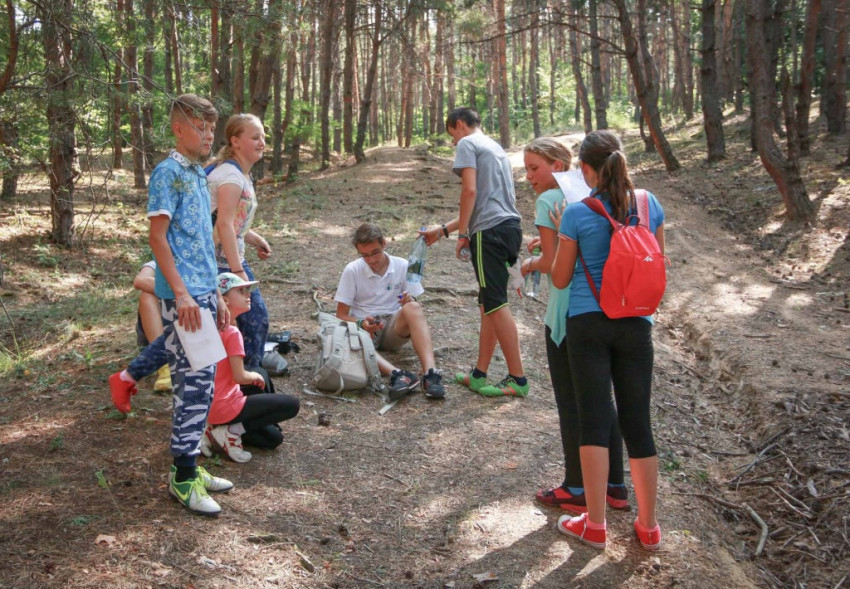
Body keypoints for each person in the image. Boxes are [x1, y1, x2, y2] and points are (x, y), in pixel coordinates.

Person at [109, 94, 233, 517]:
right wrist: (181, 294)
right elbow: (157, 238)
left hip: (202, 290)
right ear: (179, 129)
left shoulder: (197, 172)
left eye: (212, 128)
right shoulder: (168, 173)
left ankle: (129, 380)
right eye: (201, 127)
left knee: (201, 382)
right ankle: (183, 477)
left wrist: (216, 292)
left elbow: (201, 240)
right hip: (183, 295)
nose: (209, 135)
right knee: (194, 386)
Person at [551, 130, 665, 550]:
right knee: (638, 422)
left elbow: (560, 279)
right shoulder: (649, 204)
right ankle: (649, 527)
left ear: (585, 169)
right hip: (637, 324)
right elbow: (658, 262)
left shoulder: (577, 213)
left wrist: (564, 233)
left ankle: (595, 525)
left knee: (594, 420)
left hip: (588, 324)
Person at [519, 137, 629, 514]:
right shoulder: (599, 196)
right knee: (602, 401)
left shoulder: (549, 201)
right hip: (608, 306)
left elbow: (554, 266)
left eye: (534, 167)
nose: (529, 176)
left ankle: (577, 485)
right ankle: (615, 486)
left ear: (558, 164)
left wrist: (529, 265)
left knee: (572, 402)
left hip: (568, 311)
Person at [421, 107, 527, 397]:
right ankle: (479, 374)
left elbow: (469, 192)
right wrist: (444, 230)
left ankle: (518, 379)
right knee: (487, 304)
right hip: (509, 228)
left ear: (459, 125)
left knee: (495, 304)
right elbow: (482, 202)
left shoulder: (468, 143)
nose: (454, 142)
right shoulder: (496, 148)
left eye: (452, 135)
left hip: (488, 233)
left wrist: (463, 235)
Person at [334, 223, 445, 401]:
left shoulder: (402, 265)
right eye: (365, 255)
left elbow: (413, 303)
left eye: (375, 252)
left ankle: (431, 374)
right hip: (366, 329)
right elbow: (341, 315)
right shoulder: (352, 270)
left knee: (414, 307)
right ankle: (398, 375)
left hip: (394, 327)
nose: (371, 260)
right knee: (350, 334)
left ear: (384, 244)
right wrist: (361, 323)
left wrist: (409, 300)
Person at [200, 273, 300, 463]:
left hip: (209, 403)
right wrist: (254, 377)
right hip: (225, 405)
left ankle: (213, 429)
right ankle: (229, 430)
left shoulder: (211, 326)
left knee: (273, 438)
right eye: (241, 291)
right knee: (291, 404)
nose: (248, 294)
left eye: (248, 290)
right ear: (224, 300)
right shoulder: (231, 332)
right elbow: (239, 377)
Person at [207, 114, 272, 368]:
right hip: (218, 261)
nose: (262, 142)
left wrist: (255, 239)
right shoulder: (230, 177)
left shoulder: (241, 174)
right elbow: (223, 225)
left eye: (263, 137)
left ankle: (239, 373)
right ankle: (248, 378)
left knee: (242, 319)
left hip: (229, 256)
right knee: (254, 318)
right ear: (235, 141)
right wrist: (237, 271)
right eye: (255, 137)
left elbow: (232, 222)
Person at [133, 261, 171, 392]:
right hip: (163, 326)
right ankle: (165, 365)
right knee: (146, 296)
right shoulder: (158, 261)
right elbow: (140, 281)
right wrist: (180, 289)